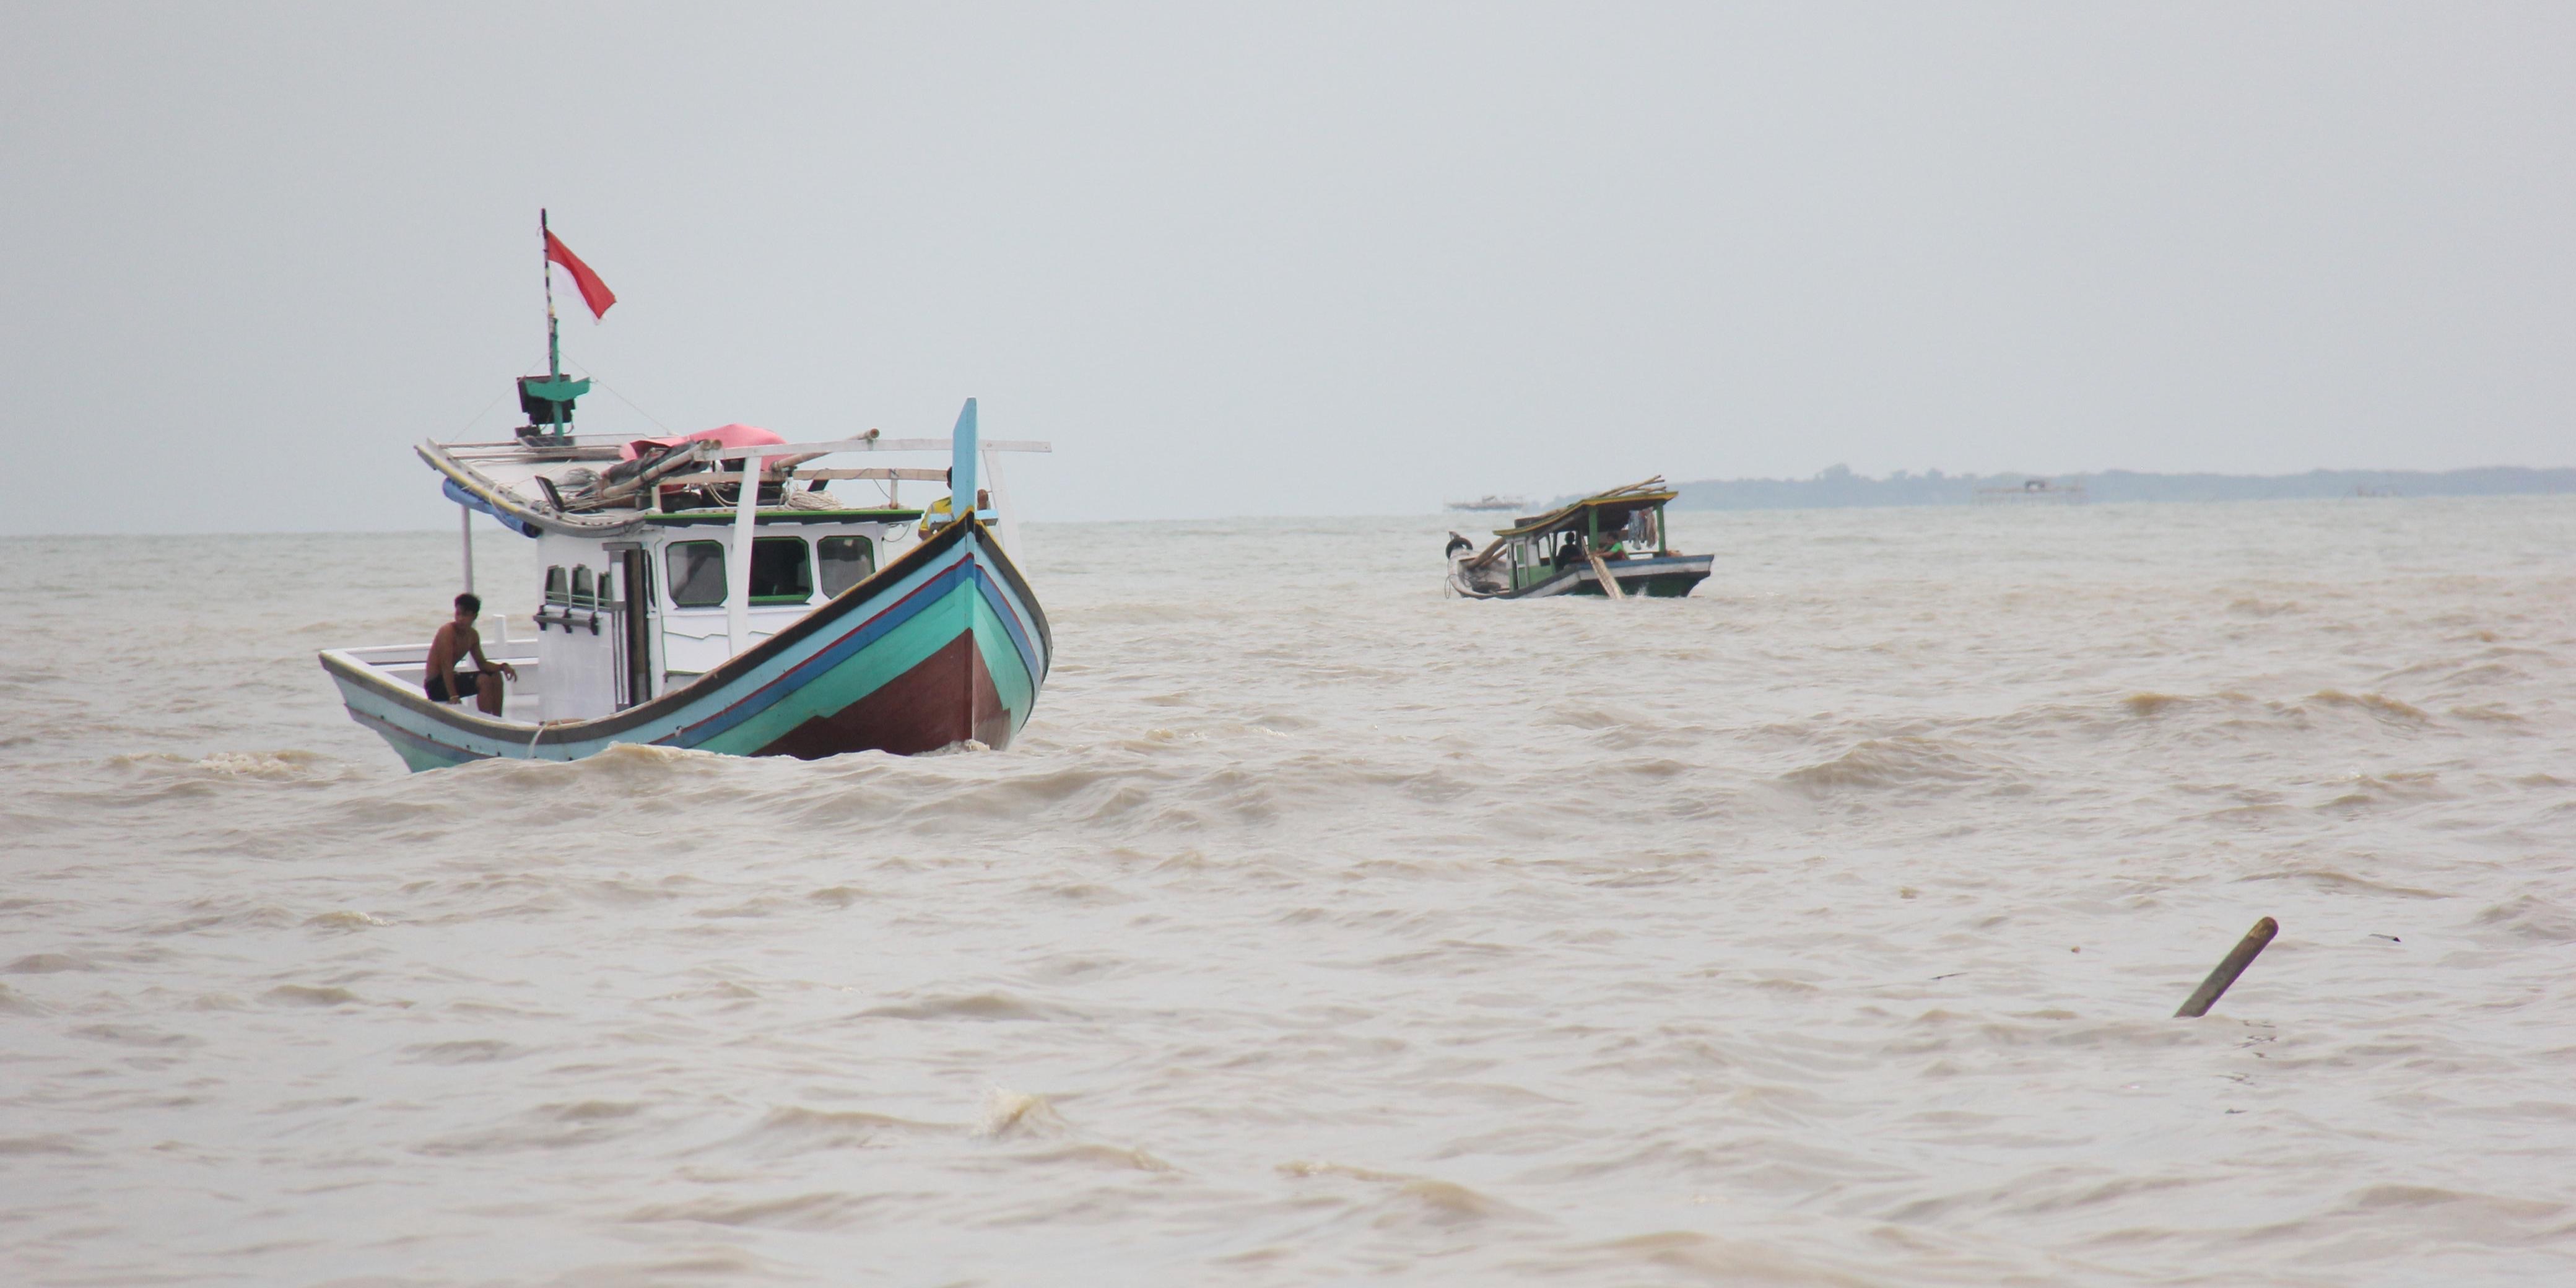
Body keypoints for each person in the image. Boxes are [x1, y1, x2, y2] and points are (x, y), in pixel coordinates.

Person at [425, 592, 516, 715]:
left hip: (450, 679)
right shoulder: (447, 632)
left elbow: (482, 664)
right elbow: (445, 665)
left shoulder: (473, 636)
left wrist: (503, 667)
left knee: (495, 676)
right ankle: (484, 721)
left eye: (465, 615)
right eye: (458, 614)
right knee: (483, 680)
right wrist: (453, 696)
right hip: (436, 685)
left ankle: (497, 719)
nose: (460, 619)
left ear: (474, 616)